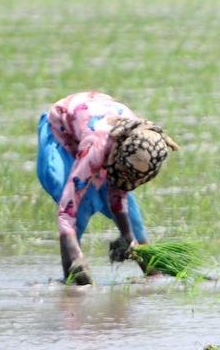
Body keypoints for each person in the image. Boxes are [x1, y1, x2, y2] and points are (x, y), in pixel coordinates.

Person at [36, 91, 180, 284]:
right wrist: (77, 257)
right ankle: (71, 275)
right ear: (117, 157)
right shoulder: (95, 148)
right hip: (61, 132)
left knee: (133, 219)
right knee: (80, 207)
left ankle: (153, 271)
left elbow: (118, 191)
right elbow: (66, 211)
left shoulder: (138, 138)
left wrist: (127, 237)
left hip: (98, 126)